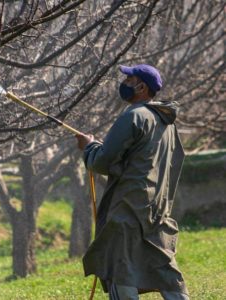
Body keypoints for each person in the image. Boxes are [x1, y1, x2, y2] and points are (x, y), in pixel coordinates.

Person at [76, 64, 189, 300]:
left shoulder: (134, 116)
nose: (125, 83)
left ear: (141, 87)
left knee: (120, 268)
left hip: (127, 207)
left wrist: (89, 148)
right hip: (156, 209)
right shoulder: (167, 122)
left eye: (130, 79)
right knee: (163, 267)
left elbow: (104, 162)